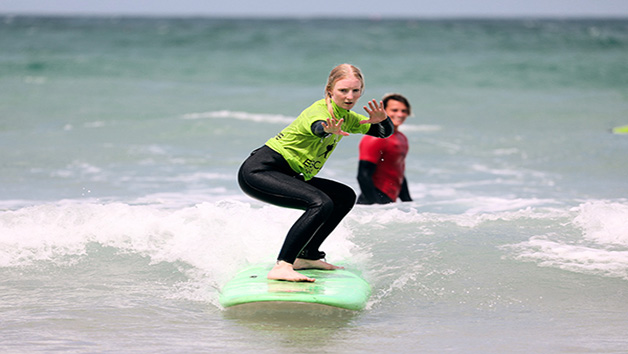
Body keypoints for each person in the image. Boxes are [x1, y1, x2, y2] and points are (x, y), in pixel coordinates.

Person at [238, 64, 394, 282]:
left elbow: (382, 133)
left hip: (287, 174)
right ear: (330, 89)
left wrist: (383, 120)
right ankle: (283, 265)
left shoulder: (347, 117)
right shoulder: (319, 110)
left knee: (344, 196)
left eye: (356, 91)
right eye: (343, 91)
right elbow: (317, 127)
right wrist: (326, 129)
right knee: (321, 202)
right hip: (259, 171)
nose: (350, 97)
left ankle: (307, 255)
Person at [357, 93, 412, 204]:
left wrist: (408, 203)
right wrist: (376, 206)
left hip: (388, 201)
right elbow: (363, 175)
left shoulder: (402, 138)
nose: (400, 114)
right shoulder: (376, 138)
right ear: (384, 111)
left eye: (404, 111)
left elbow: (398, 173)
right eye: (394, 110)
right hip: (372, 201)